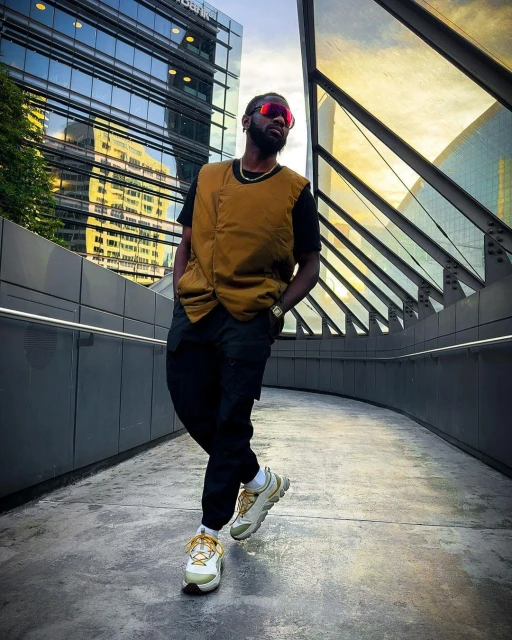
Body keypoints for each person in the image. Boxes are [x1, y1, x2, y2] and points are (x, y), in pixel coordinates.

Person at [166, 93, 321, 594]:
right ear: (248, 119)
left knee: (231, 417)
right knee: (190, 402)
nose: (281, 121)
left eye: (288, 119)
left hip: (251, 317)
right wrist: (179, 291)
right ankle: (257, 481)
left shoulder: (296, 191)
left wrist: (276, 312)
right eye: (272, 112)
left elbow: (311, 264)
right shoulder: (208, 176)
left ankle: (208, 536)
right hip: (195, 310)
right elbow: (186, 241)